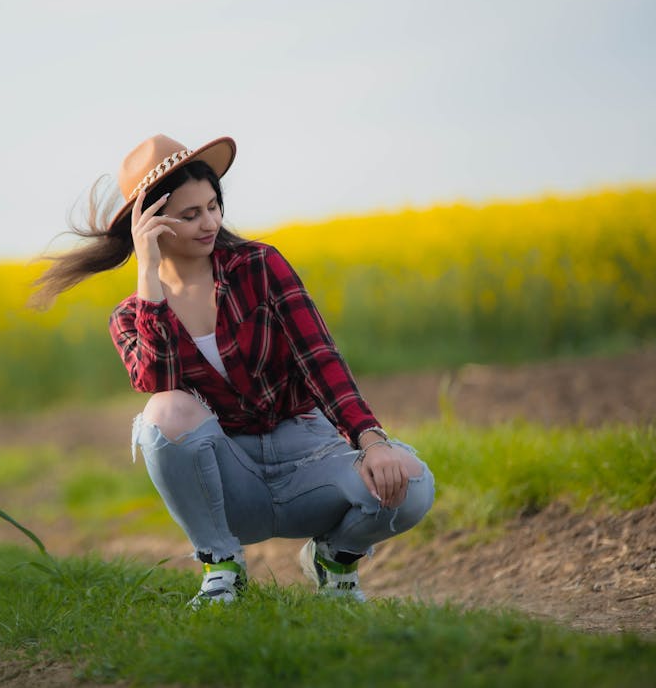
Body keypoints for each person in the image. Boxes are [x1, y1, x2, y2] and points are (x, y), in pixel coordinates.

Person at [32, 134, 435, 607]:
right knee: (163, 413)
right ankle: (221, 566)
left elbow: (319, 358)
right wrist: (148, 273)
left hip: (307, 453)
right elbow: (156, 380)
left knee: (411, 484)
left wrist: (372, 441)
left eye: (213, 206)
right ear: (152, 226)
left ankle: (335, 559)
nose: (211, 223)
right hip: (229, 479)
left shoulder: (259, 266)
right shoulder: (129, 316)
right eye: (190, 214)